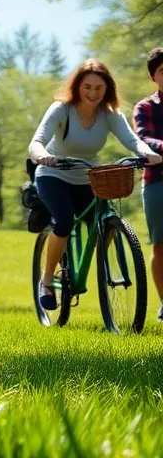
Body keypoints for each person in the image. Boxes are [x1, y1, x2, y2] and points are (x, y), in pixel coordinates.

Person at [29, 58, 162, 312]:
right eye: (87, 87)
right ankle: (46, 281)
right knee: (65, 222)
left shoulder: (109, 114)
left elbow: (132, 140)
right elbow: (37, 141)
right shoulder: (62, 109)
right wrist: (41, 155)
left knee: (103, 226)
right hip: (53, 174)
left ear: (107, 89)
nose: (92, 93)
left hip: (88, 177)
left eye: (98, 88)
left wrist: (148, 153)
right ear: (77, 86)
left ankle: (86, 267)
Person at [131, 47, 163, 321]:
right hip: (157, 183)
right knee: (161, 244)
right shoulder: (146, 107)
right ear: (153, 76)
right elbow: (143, 139)